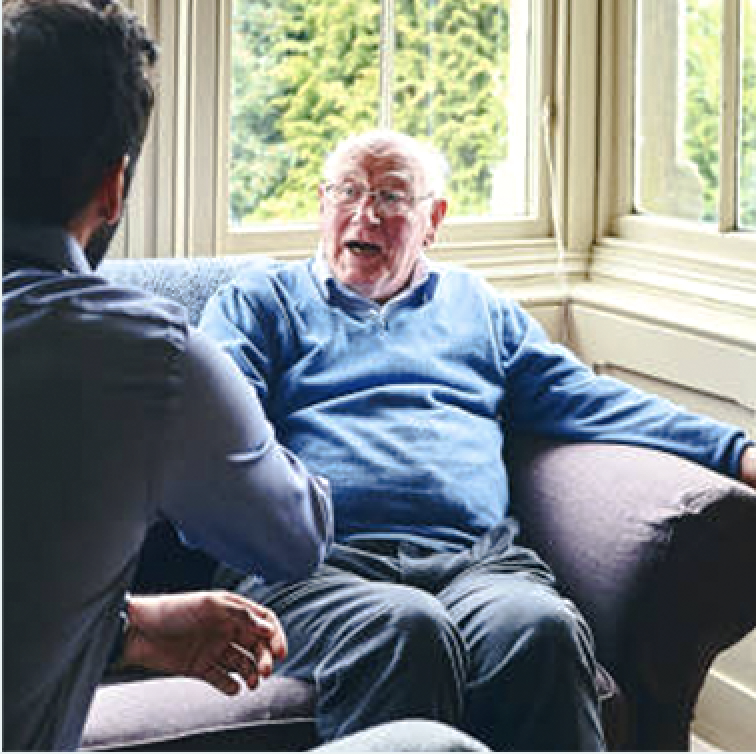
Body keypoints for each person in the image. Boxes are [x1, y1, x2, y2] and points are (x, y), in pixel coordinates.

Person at [200, 129, 756, 751]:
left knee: (541, 627)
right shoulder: (260, 302)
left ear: (433, 220)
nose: (365, 214)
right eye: (348, 192)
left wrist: (736, 452)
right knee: (405, 628)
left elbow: (590, 399)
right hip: (318, 565)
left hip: (475, 561)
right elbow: (216, 419)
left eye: (391, 197)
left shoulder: (479, 309)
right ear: (321, 202)